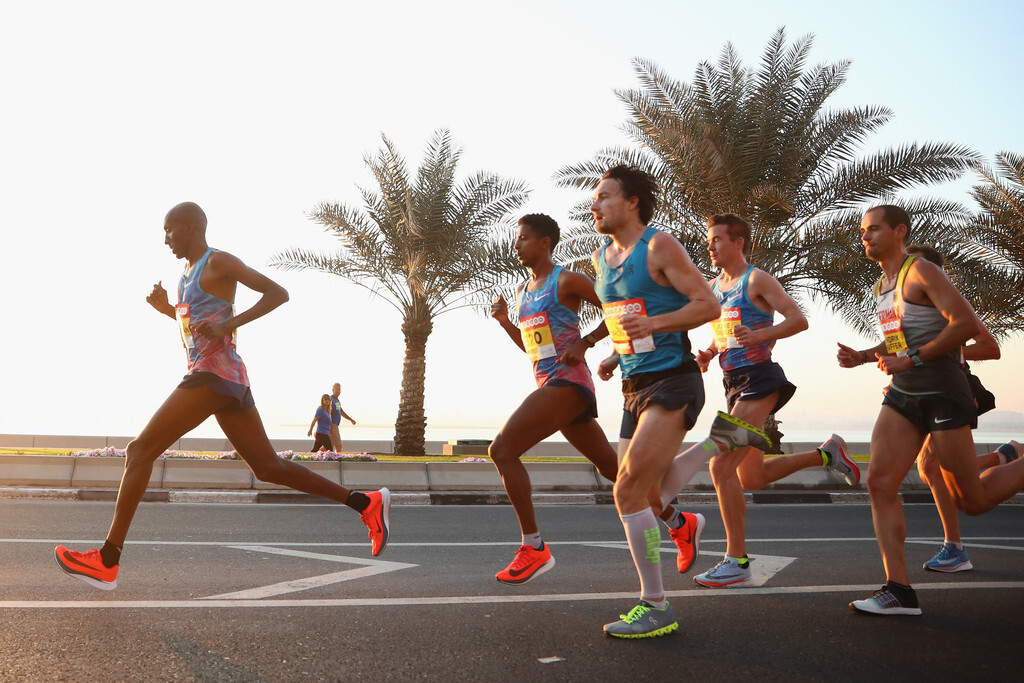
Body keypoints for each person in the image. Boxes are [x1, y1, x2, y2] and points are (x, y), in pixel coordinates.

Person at [55, 202, 391, 591]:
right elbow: (199, 327)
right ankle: (366, 503)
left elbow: (278, 293)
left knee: (139, 451)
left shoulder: (218, 262)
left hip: (212, 377)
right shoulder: (186, 275)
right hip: (228, 381)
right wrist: (167, 311)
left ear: (191, 227)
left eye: (169, 230)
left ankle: (107, 560)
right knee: (268, 468)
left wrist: (230, 324)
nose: (165, 239)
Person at [837, 205, 1024, 616]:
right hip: (904, 395)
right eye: (863, 231)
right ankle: (898, 590)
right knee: (879, 482)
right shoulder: (881, 286)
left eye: (874, 229)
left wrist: (915, 358)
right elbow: (898, 343)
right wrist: (864, 356)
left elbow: (966, 325)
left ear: (899, 231)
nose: (865, 236)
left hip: (943, 393)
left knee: (972, 500)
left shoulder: (921, 271)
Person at [686, 214, 860, 588]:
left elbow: (798, 320)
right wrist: (710, 353)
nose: (710, 245)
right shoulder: (713, 287)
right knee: (751, 477)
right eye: (708, 239)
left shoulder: (757, 280)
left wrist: (761, 334)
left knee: (720, 466)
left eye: (717, 239)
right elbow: (725, 333)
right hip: (733, 384)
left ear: (738, 242)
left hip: (759, 381)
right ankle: (827, 454)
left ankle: (737, 562)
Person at [589, 165, 721, 638]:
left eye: (605, 196)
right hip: (633, 385)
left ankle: (656, 605)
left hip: (673, 381)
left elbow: (708, 305)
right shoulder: (602, 257)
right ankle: (689, 510)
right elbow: (627, 316)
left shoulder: (659, 246)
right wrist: (614, 354)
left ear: (632, 202)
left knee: (626, 491)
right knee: (644, 495)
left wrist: (655, 326)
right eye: (595, 197)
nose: (595, 205)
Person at [487, 213, 621, 585]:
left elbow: (616, 309)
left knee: (502, 450)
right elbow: (533, 350)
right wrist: (505, 322)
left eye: (524, 238)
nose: (516, 244)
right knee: (609, 467)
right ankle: (678, 520)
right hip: (550, 383)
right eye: (517, 238)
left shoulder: (567, 280)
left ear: (544, 242)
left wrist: (586, 342)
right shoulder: (522, 292)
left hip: (568, 383)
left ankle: (533, 547)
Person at [902, 244, 1020, 573]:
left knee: (931, 465)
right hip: (920, 390)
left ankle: (954, 548)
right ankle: (1004, 456)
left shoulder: (946, 303)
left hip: (954, 387)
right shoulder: (902, 308)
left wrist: (946, 351)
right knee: (929, 469)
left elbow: (990, 347)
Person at [329, 382, 356, 452]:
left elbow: (341, 412)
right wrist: (330, 426)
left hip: (335, 425)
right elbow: (328, 413)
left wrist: (350, 419)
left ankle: (315, 454)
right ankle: (337, 458)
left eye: (339, 389)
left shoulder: (337, 400)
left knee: (328, 446)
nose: (338, 391)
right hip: (332, 425)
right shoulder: (331, 399)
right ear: (333, 390)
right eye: (337, 389)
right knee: (338, 445)